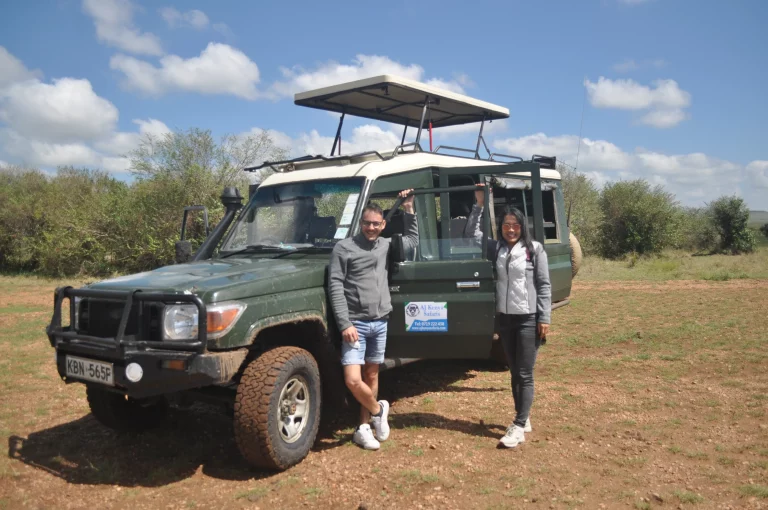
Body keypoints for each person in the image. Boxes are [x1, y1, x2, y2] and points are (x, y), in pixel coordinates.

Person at [328, 190, 418, 450]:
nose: (371, 228)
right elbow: (335, 285)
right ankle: (379, 410)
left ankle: (364, 426)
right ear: (360, 223)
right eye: (367, 223)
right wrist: (344, 323)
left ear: (383, 225)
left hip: (380, 321)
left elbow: (412, 241)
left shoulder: (385, 245)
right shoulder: (344, 248)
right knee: (352, 380)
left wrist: (409, 209)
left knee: (372, 375)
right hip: (355, 325)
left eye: (376, 224)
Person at [465, 185, 551, 448]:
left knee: (524, 373)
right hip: (505, 319)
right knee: (514, 371)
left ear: (522, 226)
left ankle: (518, 424)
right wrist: (479, 204)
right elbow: (471, 235)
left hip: (527, 318)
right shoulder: (497, 249)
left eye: (515, 225)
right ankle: (523, 418)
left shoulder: (534, 249)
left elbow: (544, 284)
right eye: (506, 225)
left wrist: (544, 317)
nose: (510, 229)